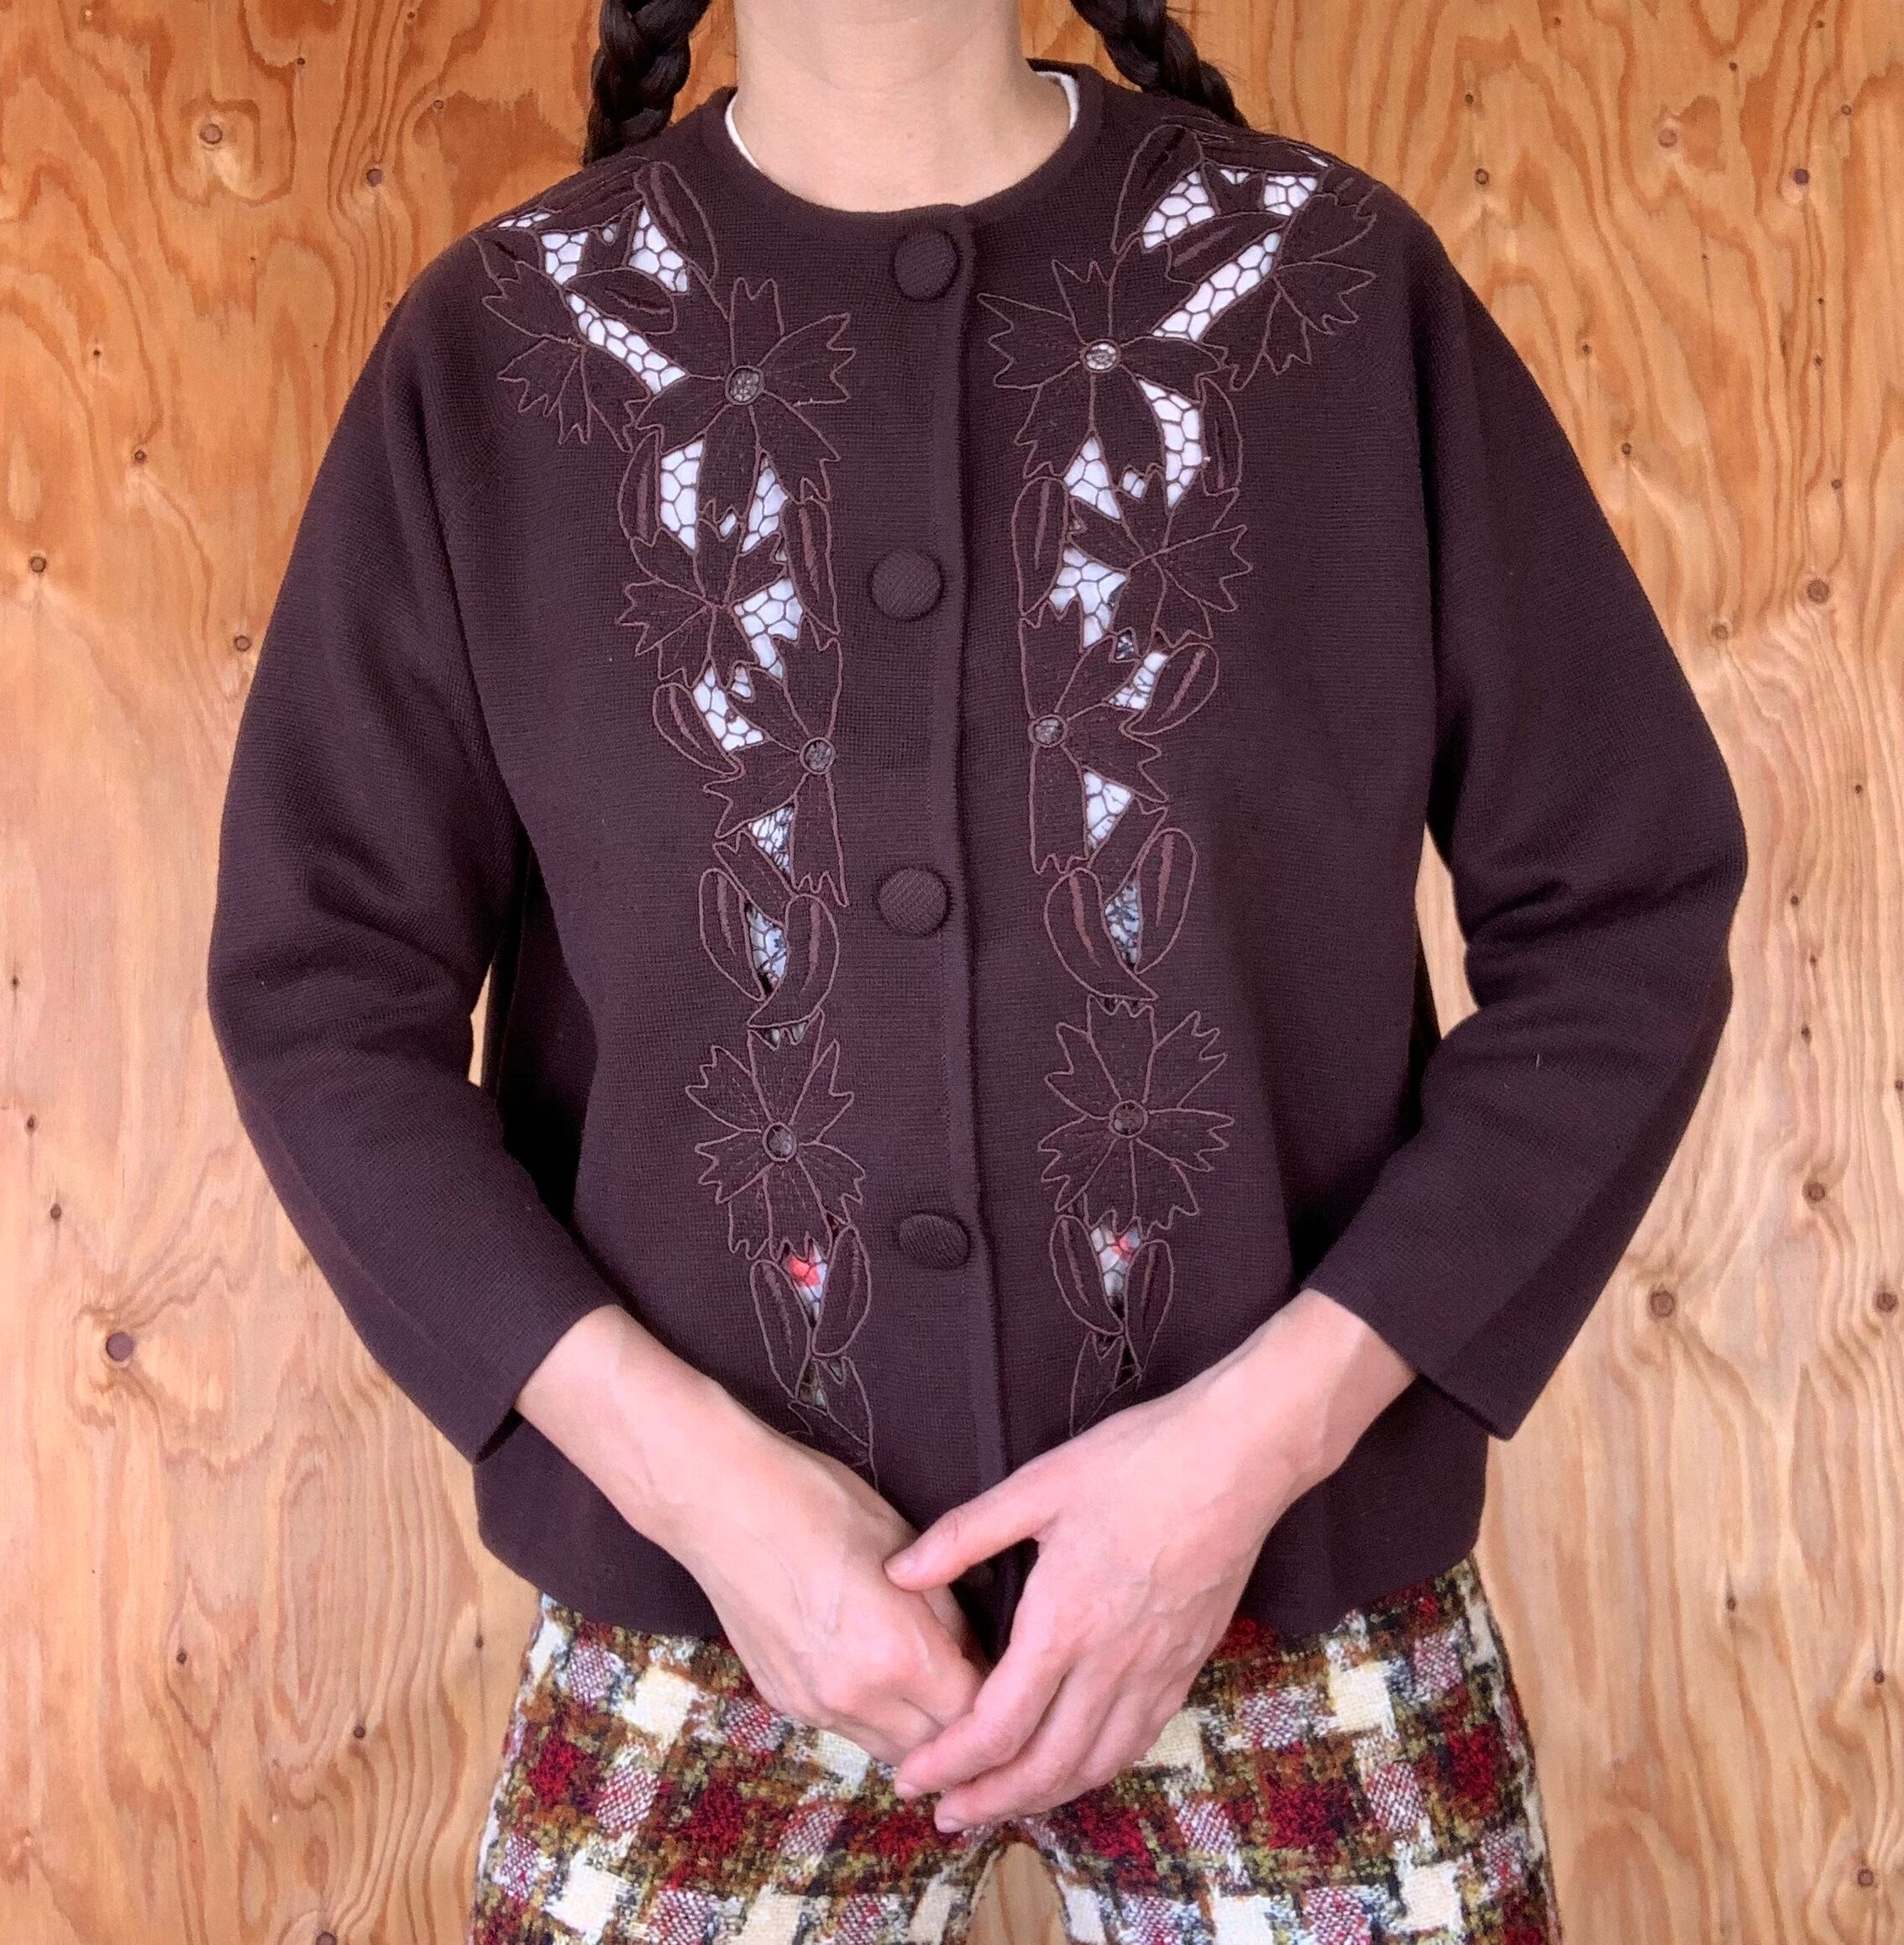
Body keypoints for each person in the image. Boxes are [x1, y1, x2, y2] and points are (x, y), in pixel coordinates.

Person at [204, 2, 1749, 1939]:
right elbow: (320, 994)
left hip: (1287, 1576)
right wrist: (698, 1491)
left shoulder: (1332, 291)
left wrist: (1256, 1449)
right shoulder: (508, 343)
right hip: (712, 1609)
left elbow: (1624, 907)